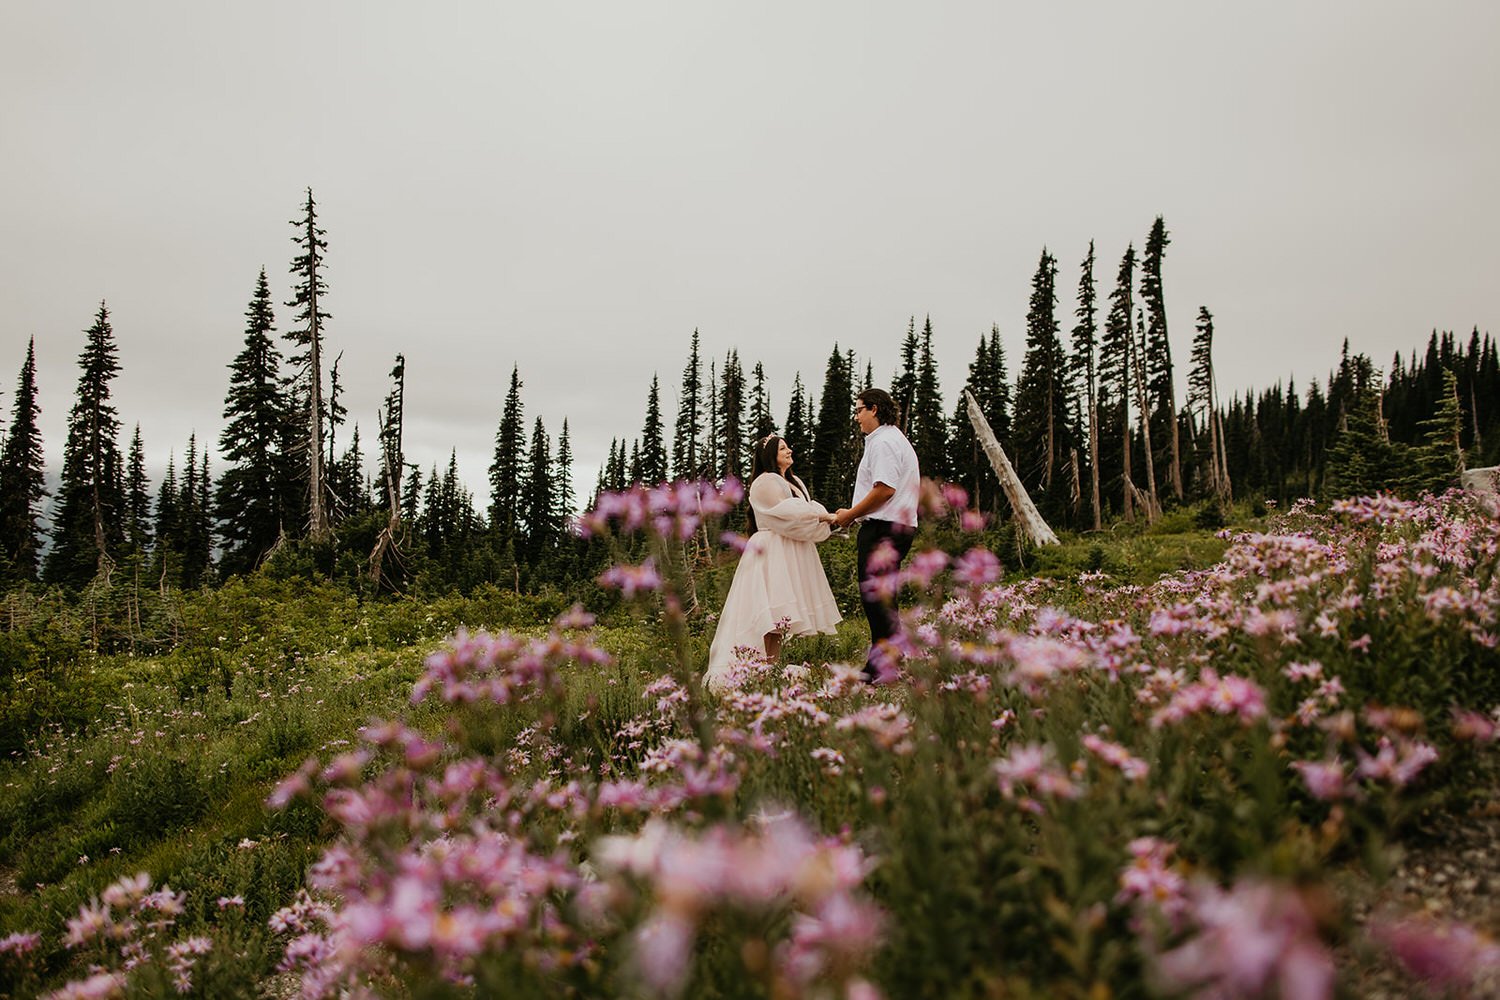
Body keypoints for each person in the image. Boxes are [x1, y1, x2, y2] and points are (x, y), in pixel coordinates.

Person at [703, 435, 842, 693]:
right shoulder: (765, 481)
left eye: (788, 445)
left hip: (789, 550)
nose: (789, 450)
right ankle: (757, 670)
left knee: (779, 619)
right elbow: (786, 513)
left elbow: (801, 516)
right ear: (769, 455)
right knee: (768, 613)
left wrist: (827, 522)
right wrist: (824, 516)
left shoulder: (794, 482)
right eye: (782, 448)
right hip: (771, 552)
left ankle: (771, 671)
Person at [832, 388, 920, 681]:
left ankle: (881, 667)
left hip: (883, 527)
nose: (856, 417)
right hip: (897, 525)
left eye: (858, 410)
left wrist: (850, 515)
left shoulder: (883, 442)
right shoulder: (893, 439)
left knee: (875, 598)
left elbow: (884, 489)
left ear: (873, 409)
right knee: (884, 596)